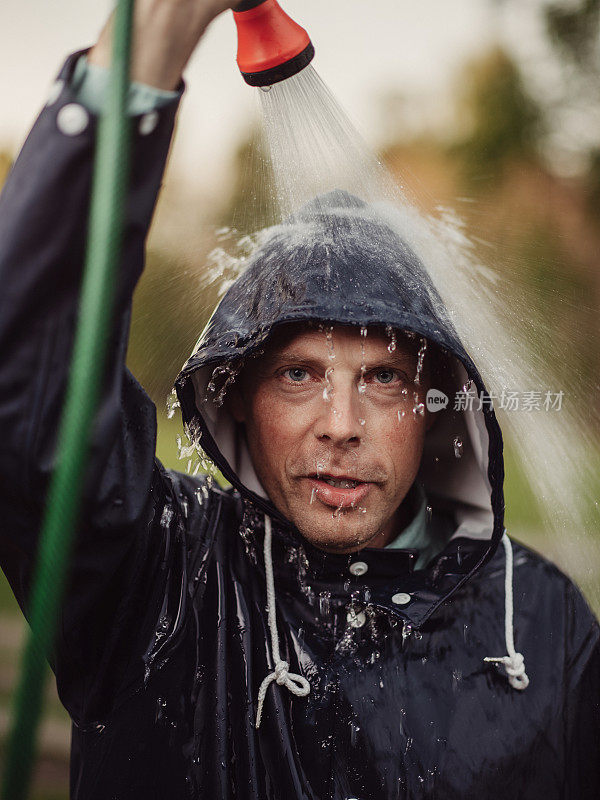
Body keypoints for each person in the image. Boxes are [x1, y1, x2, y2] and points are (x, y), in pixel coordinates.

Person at [0, 2, 599, 798]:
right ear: (237, 394)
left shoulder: (545, 628)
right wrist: (150, 38)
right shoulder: (156, 578)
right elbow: (30, 376)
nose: (340, 427)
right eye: (298, 374)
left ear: (437, 404)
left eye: (383, 378)